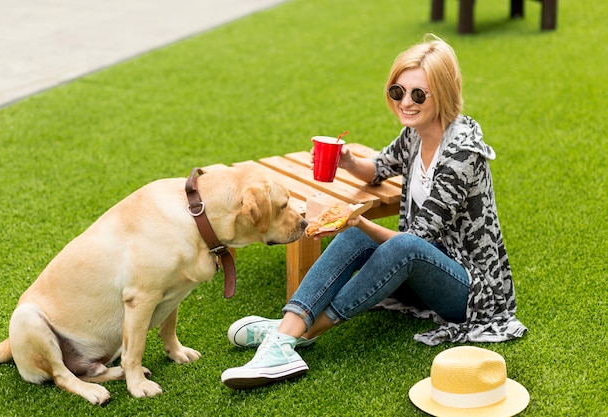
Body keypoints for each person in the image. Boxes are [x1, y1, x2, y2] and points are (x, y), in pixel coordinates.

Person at [220, 34, 527, 390]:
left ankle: (291, 336)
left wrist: (359, 220)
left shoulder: (462, 153)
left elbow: (415, 241)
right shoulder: (415, 134)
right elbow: (381, 166)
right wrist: (349, 160)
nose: (406, 103)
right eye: (398, 92)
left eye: (418, 94)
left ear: (443, 92)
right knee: (356, 233)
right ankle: (288, 330)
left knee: (383, 238)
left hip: (472, 291)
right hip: (425, 270)